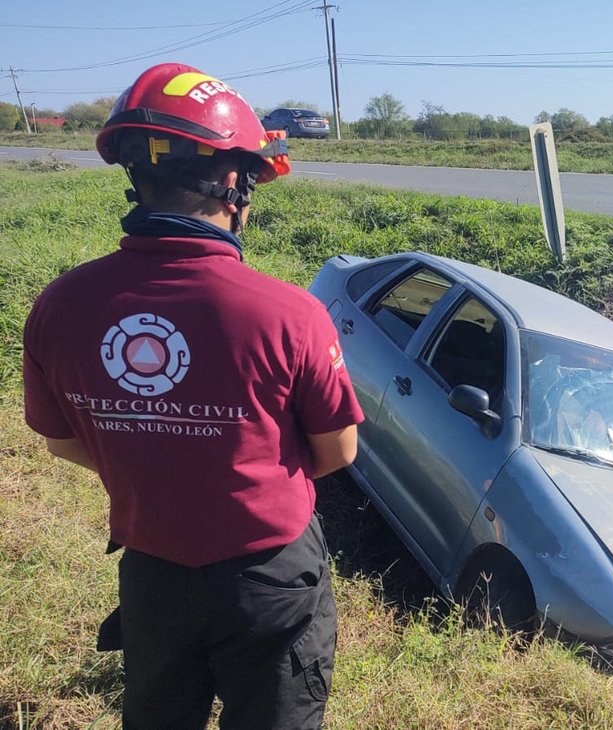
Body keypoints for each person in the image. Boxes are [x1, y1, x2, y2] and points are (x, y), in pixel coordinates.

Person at [22, 62, 364, 729]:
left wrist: (149, 456)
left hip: (153, 569)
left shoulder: (60, 305)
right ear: (233, 184)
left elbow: (61, 440)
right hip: (270, 576)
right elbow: (337, 451)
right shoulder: (287, 314)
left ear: (138, 176)